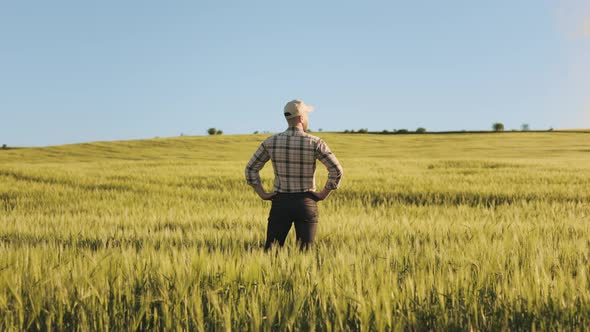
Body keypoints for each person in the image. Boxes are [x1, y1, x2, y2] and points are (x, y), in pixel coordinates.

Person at [245, 99, 343, 250]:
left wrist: (262, 193)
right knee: (305, 252)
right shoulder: (315, 142)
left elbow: (251, 168)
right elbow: (336, 170)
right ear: (302, 117)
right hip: (306, 203)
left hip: (280, 202)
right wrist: (324, 193)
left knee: (272, 251)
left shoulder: (271, 142)